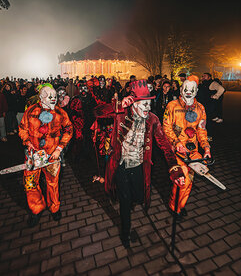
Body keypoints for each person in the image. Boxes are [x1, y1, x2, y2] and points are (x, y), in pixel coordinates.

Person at [94, 79, 185, 248]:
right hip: (120, 165)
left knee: (138, 196)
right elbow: (97, 112)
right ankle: (125, 232)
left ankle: (130, 203)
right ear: (134, 103)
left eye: (149, 104)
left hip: (139, 166)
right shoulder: (121, 112)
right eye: (143, 105)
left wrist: (175, 167)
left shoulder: (152, 119)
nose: (147, 108)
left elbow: (164, 144)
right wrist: (119, 104)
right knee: (125, 200)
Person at [19, 85, 73, 227]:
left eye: (54, 95)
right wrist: (27, 142)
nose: (53, 98)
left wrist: (59, 149)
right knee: (30, 184)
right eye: (49, 96)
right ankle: (36, 209)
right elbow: (23, 128)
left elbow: (68, 130)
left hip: (52, 157)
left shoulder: (60, 113)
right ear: (41, 97)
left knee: (53, 184)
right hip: (33, 155)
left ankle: (54, 208)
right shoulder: (30, 112)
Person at [163, 79, 211, 220]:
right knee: (182, 180)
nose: (188, 92)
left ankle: (180, 205)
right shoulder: (171, 106)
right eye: (185, 89)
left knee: (189, 180)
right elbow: (166, 127)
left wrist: (206, 148)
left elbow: (202, 130)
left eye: (192, 90)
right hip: (177, 151)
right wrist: (176, 142)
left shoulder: (200, 108)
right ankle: (174, 207)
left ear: (196, 91)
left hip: (193, 151)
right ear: (181, 90)